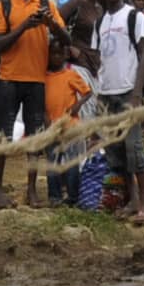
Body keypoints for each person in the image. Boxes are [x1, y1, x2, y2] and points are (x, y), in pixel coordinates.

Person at [0, 0, 58, 208]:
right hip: (9, 79)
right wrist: (24, 26)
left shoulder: (46, 5)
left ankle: (31, 191)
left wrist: (52, 25)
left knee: (35, 138)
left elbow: (65, 39)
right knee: (3, 135)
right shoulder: (3, 6)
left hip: (36, 80)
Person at [92, 0, 144, 223]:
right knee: (115, 152)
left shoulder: (134, 16)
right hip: (106, 94)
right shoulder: (100, 22)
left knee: (135, 149)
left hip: (128, 91)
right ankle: (130, 201)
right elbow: (99, 58)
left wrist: (137, 94)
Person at [41, 31, 103, 210]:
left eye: (60, 53)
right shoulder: (44, 77)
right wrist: (47, 123)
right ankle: (54, 196)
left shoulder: (70, 75)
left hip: (71, 127)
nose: (56, 57)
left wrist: (78, 105)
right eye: (53, 53)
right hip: (51, 128)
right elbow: (42, 104)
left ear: (66, 55)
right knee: (52, 164)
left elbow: (88, 92)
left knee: (72, 163)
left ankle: (73, 196)